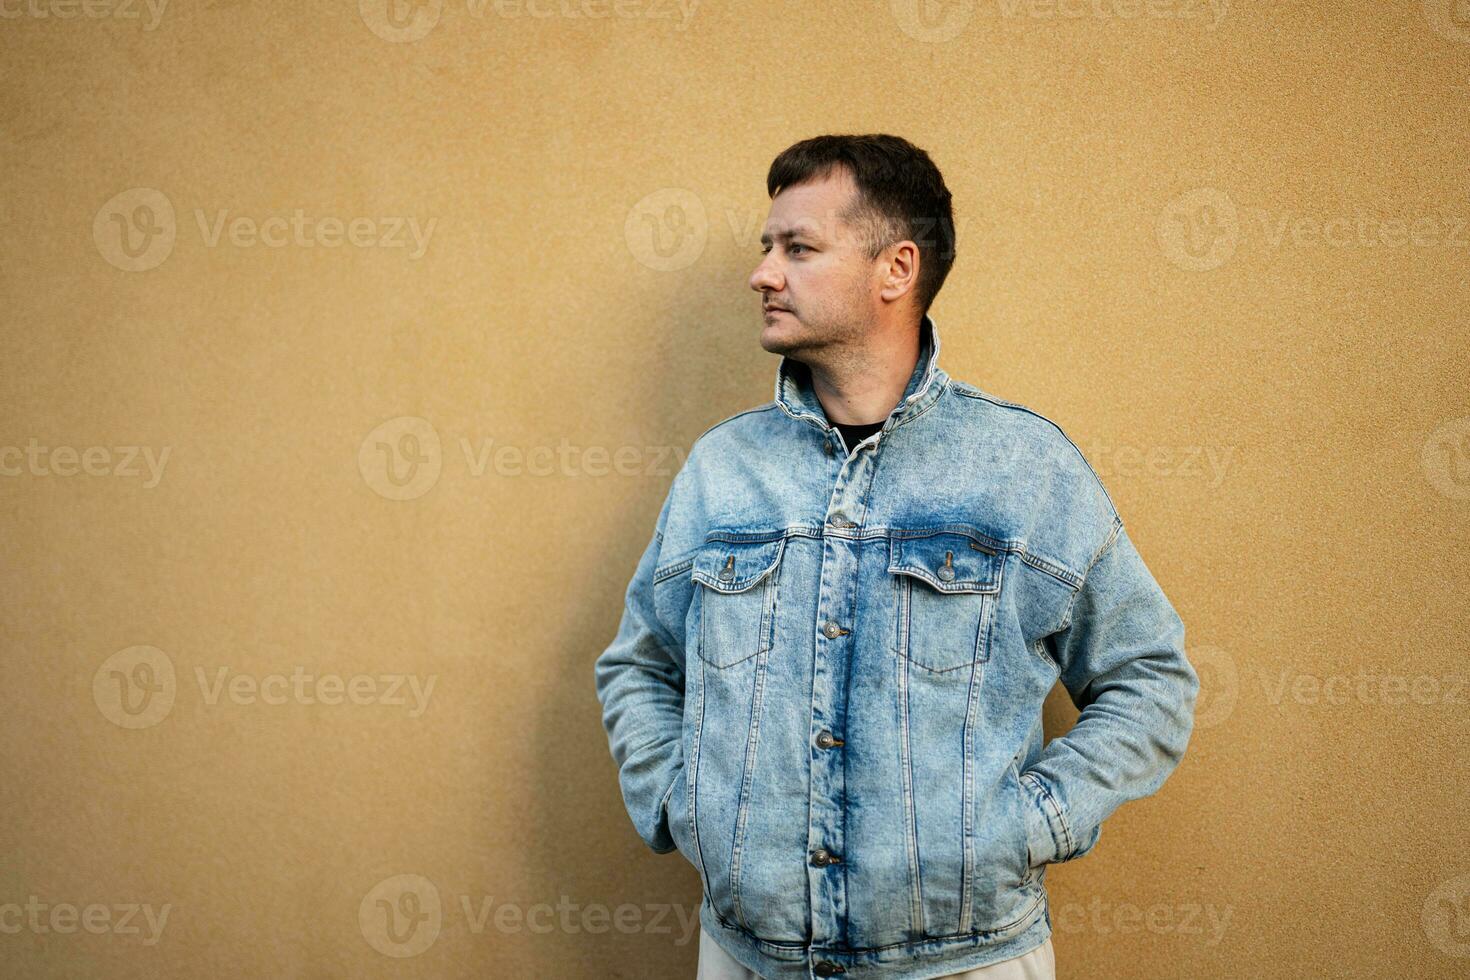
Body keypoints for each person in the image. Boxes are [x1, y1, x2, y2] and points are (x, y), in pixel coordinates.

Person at [594, 133, 1199, 980]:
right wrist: (684, 804)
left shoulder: (1024, 470)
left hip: (967, 962)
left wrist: (1028, 827)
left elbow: (1150, 679)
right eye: (767, 248)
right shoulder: (720, 474)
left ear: (896, 269)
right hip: (748, 958)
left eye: (798, 248)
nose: (763, 273)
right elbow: (638, 666)